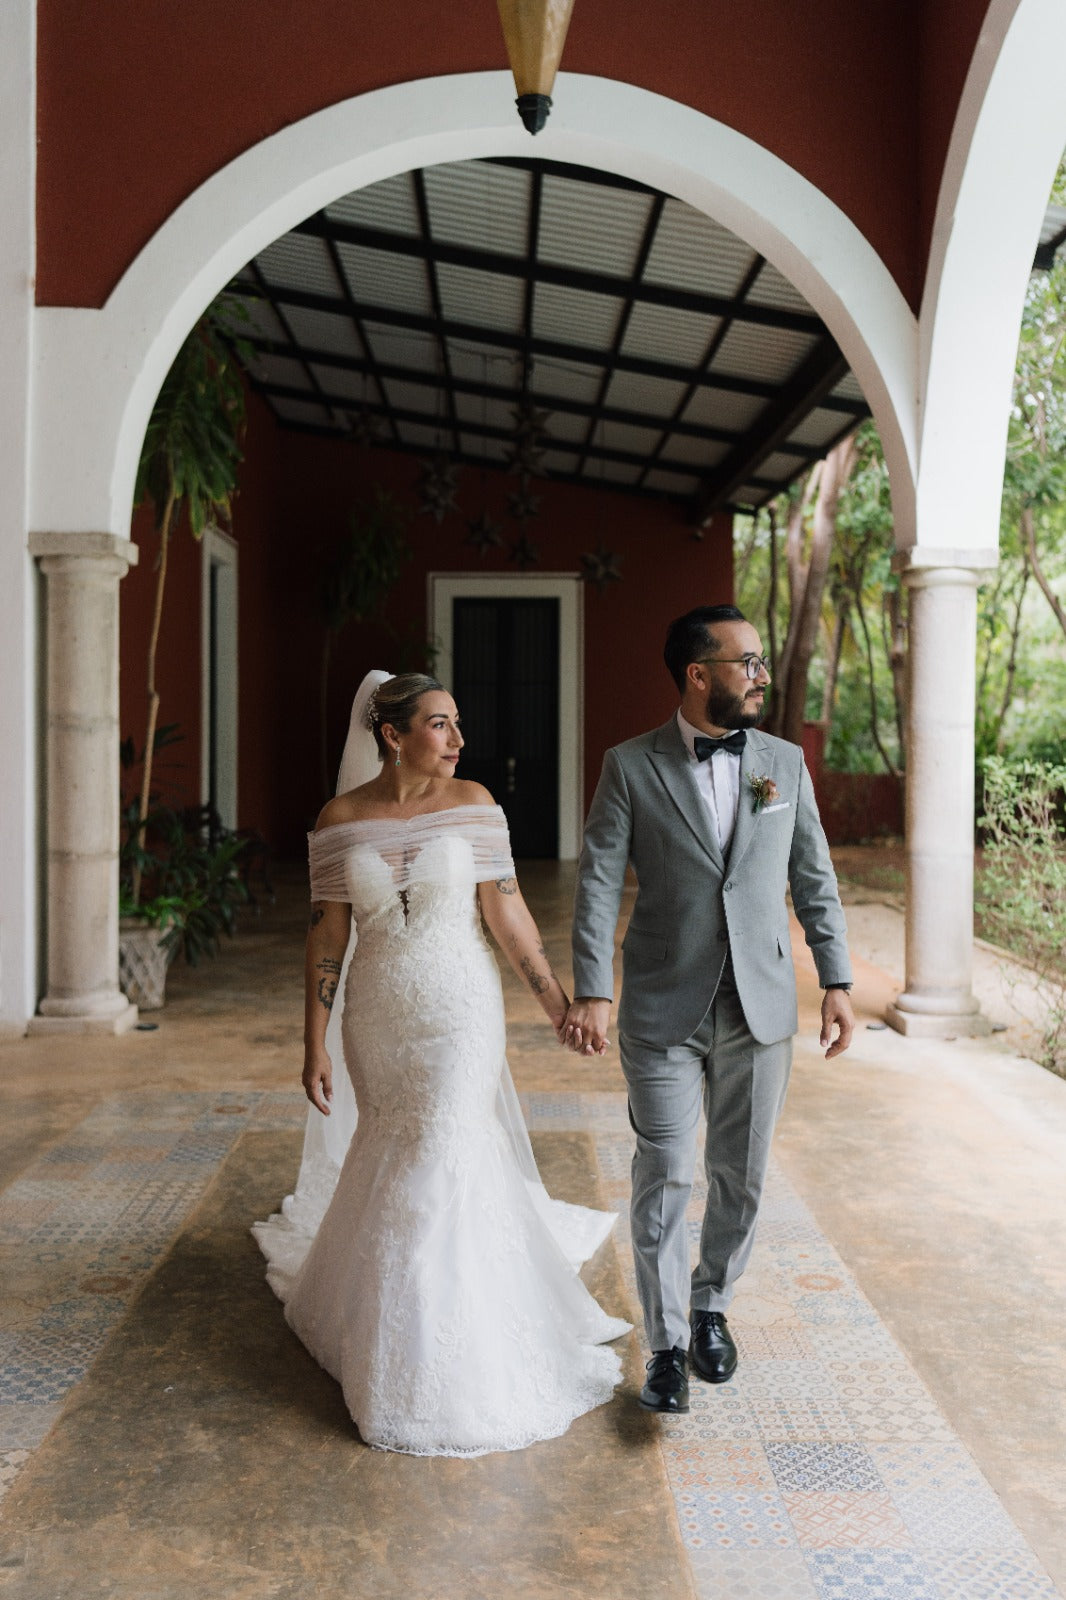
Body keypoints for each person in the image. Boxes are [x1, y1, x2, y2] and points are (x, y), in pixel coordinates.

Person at [253, 670, 627, 1456]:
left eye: (457, 724)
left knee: (441, 1151)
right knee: (394, 1149)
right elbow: (327, 936)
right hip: (379, 1016)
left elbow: (507, 911)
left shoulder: (476, 804)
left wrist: (557, 1001)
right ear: (391, 736)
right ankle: (382, 1331)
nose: (458, 740)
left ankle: (444, 1363)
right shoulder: (340, 819)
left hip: (460, 1009)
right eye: (439, 724)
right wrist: (314, 1041)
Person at [562, 606, 853, 1415]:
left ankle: (711, 1309)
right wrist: (593, 987)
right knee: (669, 1173)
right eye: (747, 662)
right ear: (698, 674)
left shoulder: (783, 765)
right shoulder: (630, 766)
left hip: (761, 1007)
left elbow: (814, 877)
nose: (761, 675)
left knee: (742, 1177)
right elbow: (596, 882)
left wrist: (836, 978)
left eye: (761, 662)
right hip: (662, 1007)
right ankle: (662, 1347)